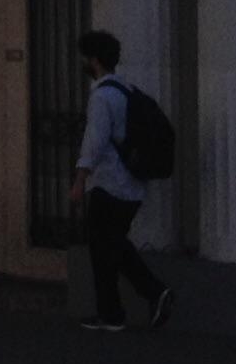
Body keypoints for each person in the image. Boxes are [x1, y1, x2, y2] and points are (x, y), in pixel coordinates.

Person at [70, 27, 173, 333]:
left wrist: (79, 180)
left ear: (95, 60)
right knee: (110, 246)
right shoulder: (127, 91)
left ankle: (131, 303)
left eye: (86, 58)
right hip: (131, 186)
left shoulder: (102, 97)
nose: (84, 63)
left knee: (104, 247)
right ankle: (120, 308)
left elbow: (95, 141)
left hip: (109, 184)